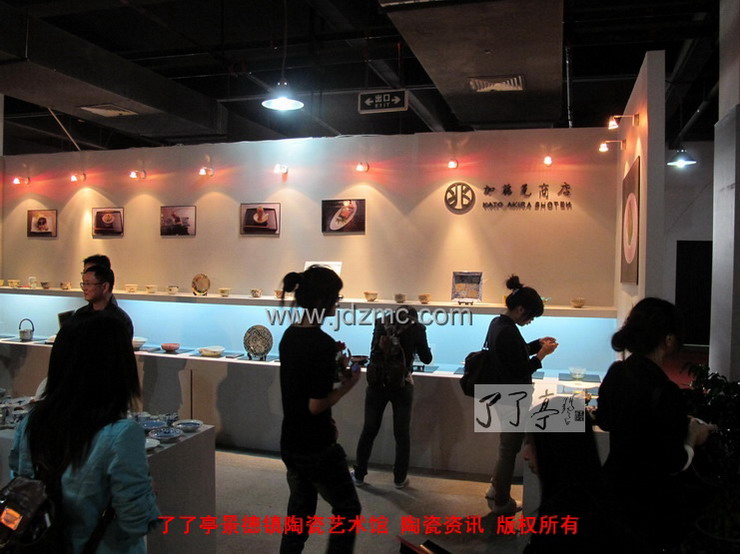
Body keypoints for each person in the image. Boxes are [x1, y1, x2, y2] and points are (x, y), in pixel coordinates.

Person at [9, 312, 160, 553]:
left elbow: (22, 491)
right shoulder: (121, 435)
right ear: (117, 367)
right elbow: (137, 521)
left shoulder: (30, 423)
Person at [595, 297, 716, 551]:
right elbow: (675, 462)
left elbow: (605, 421)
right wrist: (694, 436)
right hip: (649, 503)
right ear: (669, 340)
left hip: (612, 489)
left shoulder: (617, 372)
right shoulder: (666, 391)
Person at [278, 265, 362, 553]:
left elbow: (299, 392)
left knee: (299, 516)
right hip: (316, 445)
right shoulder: (322, 344)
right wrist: (349, 384)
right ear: (320, 300)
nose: (337, 303)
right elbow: (315, 405)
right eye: (335, 297)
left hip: (291, 440)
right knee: (348, 508)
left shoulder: (289, 336)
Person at [485, 275, 558, 514]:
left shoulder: (499, 324)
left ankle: (495, 489)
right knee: (509, 450)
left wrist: (537, 344)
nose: (530, 321)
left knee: (506, 447)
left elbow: (515, 353)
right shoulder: (507, 331)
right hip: (512, 398)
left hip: (501, 395)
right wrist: (541, 356)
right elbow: (519, 369)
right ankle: (501, 502)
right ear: (520, 310)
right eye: (530, 316)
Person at [522, 417, 648, 553]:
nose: (525, 455)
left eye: (531, 443)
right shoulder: (601, 504)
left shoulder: (564, 518)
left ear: (554, 448)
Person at [352, 306, 432, 489]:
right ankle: (399, 478)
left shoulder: (381, 323)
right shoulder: (417, 328)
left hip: (377, 383)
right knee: (401, 433)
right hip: (401, 384)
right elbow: (427, 358)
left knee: (369, 430)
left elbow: (373, 350)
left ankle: (359, 474)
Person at [75, 265, 134, 338]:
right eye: (83, 284)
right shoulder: (80, 315)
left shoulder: (121, 319)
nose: (84, 288)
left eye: (88, 284)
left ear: (105, 287)